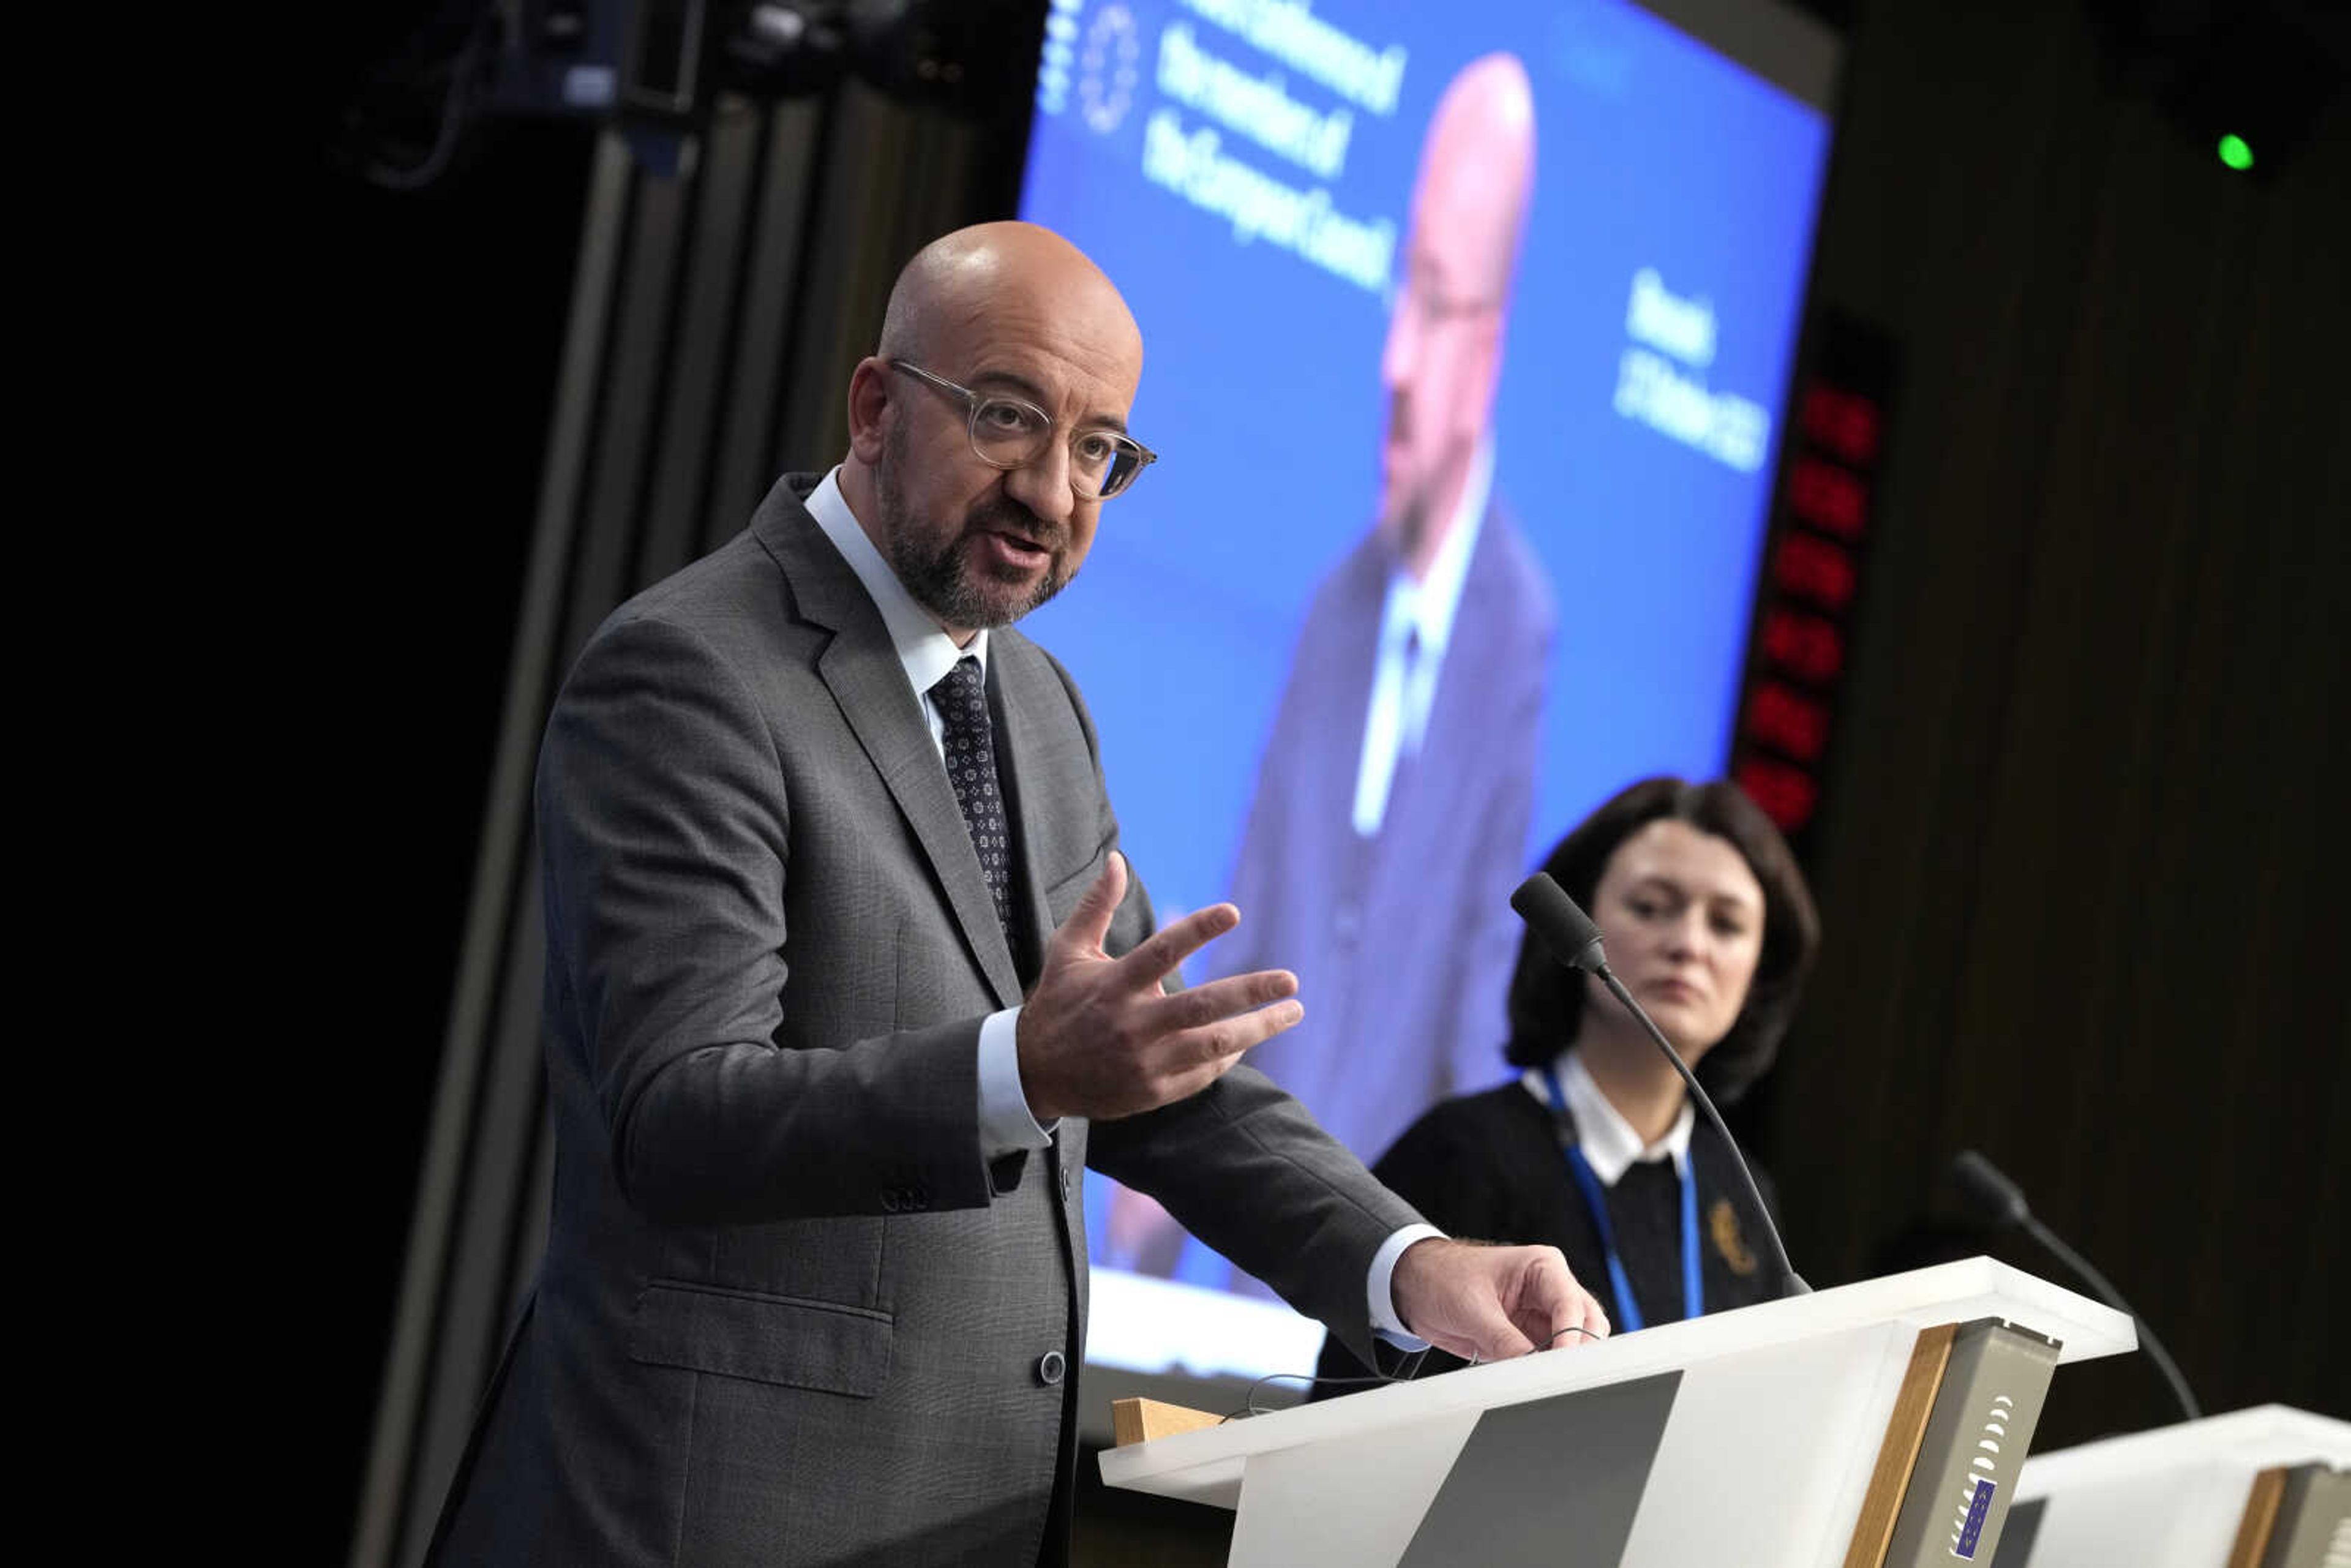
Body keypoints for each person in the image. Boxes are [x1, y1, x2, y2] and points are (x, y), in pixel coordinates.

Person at [424, 221, 1610, 1568]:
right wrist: (1019, 1071)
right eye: (1007, 417)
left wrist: (1409, 1264)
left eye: (1099, 448)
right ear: (877, 407)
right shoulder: (693, 673)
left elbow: (1153, 1078)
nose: (1052, 490)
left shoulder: (1034, 704)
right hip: (704, 1516)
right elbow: (677, 1112)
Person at [1209, 53, 1557, 1171]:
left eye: (1442, 307)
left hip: (1397, 1240)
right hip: (1245, 1216)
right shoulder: (1335, 605)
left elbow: (1474, 999)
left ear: (1495, 348)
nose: (1399, 361)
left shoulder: (1519, 629)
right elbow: (1252, 921)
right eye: (1403, 288)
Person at [1314, 776, 1820, 1393]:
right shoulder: (1459, 1152)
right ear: (1573, 929)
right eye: (1651, 907)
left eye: (1726, 924)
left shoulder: (1744, 1193)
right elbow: (1348, 1412)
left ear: (1759, 971)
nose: (1689, 944)